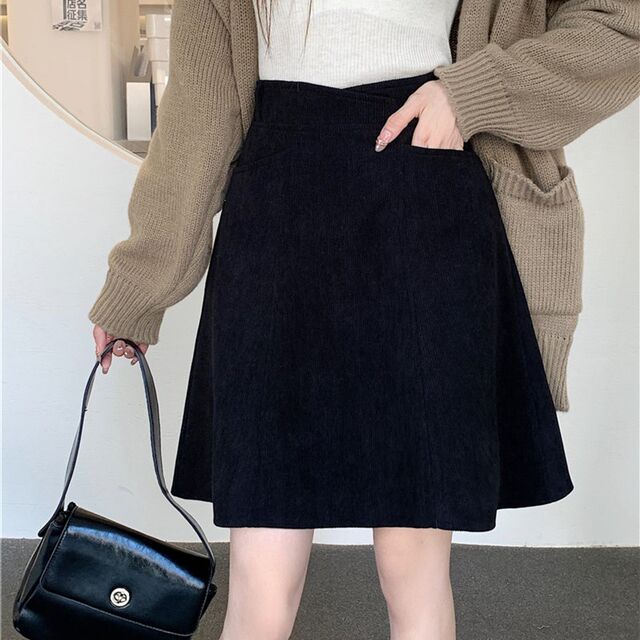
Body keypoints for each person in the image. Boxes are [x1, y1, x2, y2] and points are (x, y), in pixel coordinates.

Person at [89, 1, 639, 638]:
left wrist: (470, 95)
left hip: (425, 203)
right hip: (278, 219)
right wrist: (139, 288)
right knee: (263, 570)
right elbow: (198, 120)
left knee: (414, 565)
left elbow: (622, 23)